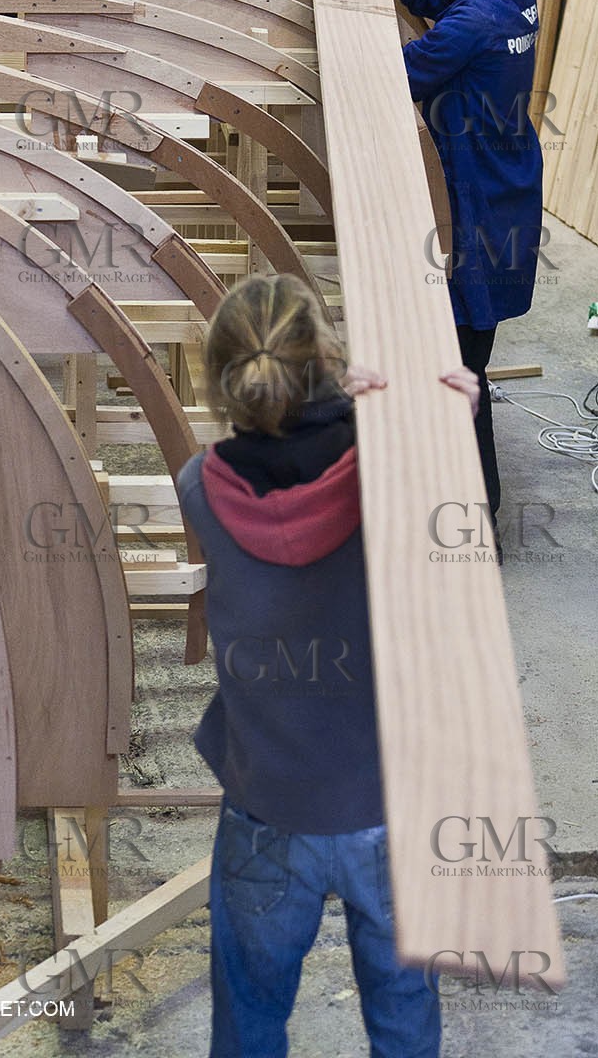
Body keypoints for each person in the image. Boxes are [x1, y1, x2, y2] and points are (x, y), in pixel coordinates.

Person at [176, 273, 479, 1057]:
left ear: (222, 381)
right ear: (332, 360)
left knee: (248, 1017)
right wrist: (442, 428)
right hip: (389, 804)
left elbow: (283, 472)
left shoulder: (197, 491)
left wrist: (346, 411)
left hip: (266, 805)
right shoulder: (398, 478)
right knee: (404, 1015)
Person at [366, 0, 544, 553]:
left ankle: (478, 524)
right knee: (458, 360)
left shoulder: (474, 25)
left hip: (481, 205)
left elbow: (397, 76)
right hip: (503, 186)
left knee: (459, 371)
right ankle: (451, 502)